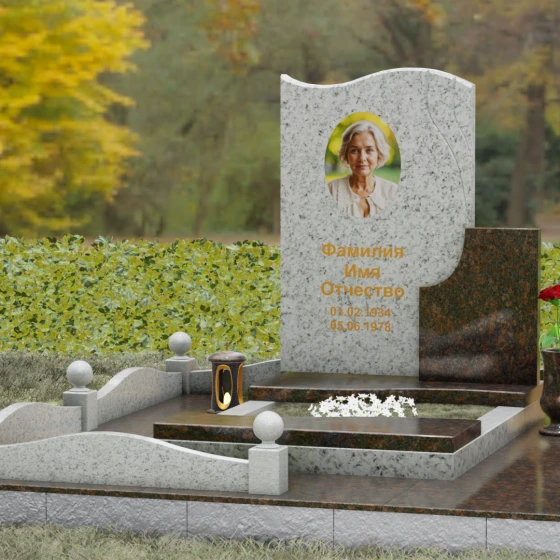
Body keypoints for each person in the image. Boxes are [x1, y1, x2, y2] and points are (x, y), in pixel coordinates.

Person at [328, 120, 397, 218]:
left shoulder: (392, 191)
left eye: (369, 150)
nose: (362, 158)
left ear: (379, 155)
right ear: (346, 155)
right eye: (354, 150)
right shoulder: (332, 189)